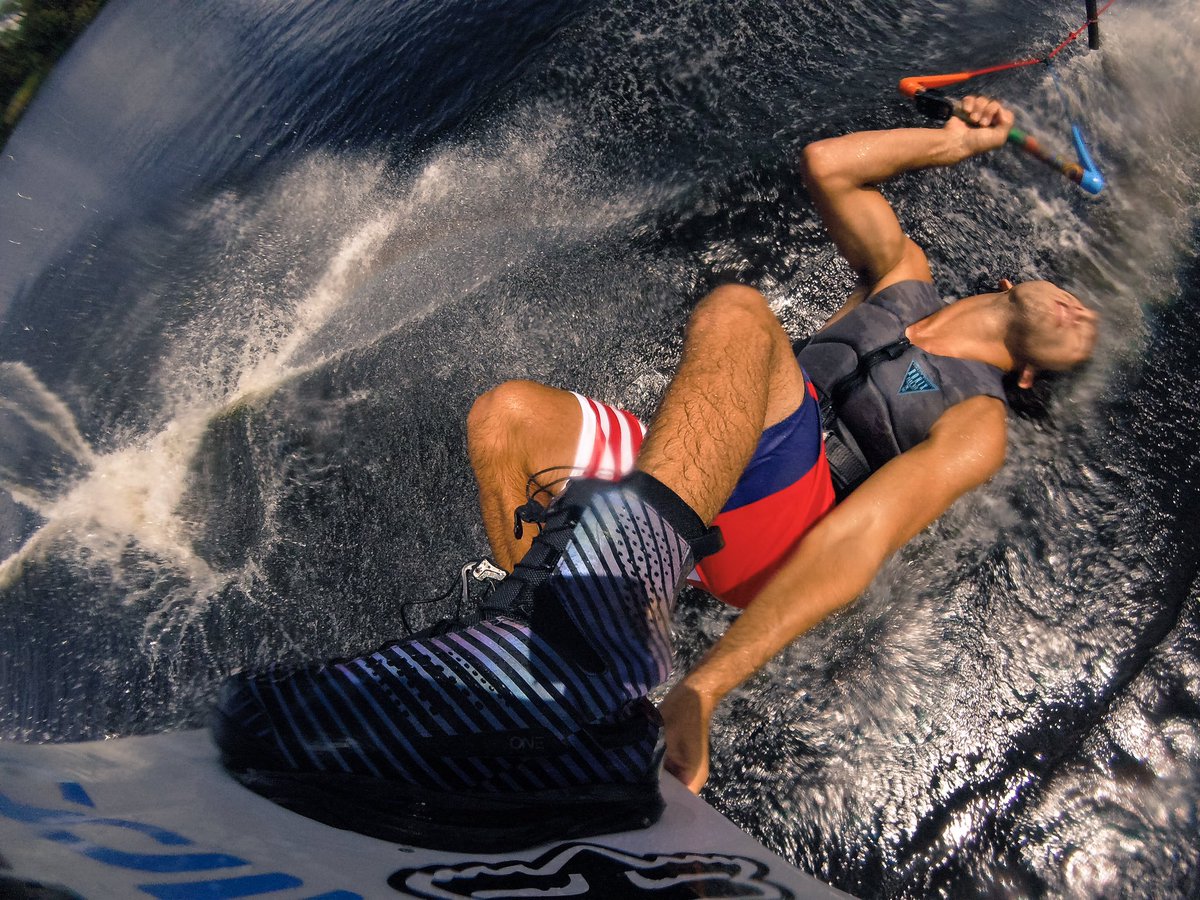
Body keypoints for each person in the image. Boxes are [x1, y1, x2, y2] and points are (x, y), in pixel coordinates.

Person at [211, 96, 1097, 849]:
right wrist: (960, 140)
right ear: (1011, 280)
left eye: (1083, 334)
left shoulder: (979, 420)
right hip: (708, 475)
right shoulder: (902, 278)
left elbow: (857, 543)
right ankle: (551, 683)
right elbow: (828, 164)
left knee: (740, 315)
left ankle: (598, 651)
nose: (1079, 312)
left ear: (1029, 377)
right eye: (1074, 298)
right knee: (508, 418)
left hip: (773, 534)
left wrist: (704, 688)